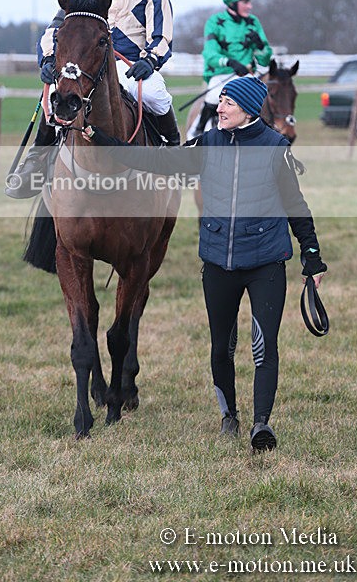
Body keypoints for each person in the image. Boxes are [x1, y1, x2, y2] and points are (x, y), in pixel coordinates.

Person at [83, 75, 327, 452]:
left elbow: (295, 206)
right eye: (221, 102)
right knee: (220, 348)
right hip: (217, 264)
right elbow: (154, 161)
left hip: (266, 263)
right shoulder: (207, 144)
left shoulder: (275, 147)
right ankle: (229, 416)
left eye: (228, 102)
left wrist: (312, 257)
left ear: (247, 109)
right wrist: (101, 140)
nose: (220, 108)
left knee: (264, 347)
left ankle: (261, 424)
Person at [7, 0, 179, 199]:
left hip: (129, 70)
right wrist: (48, 60)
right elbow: (57, 27)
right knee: (53, 97)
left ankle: (174, 153)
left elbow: (163, 36)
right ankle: (36, 163)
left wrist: (149, 61)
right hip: (86, 67)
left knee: (156, 94)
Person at [187, 0, 273, 139]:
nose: (249, 6)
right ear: (233, 2)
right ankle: (197, 132)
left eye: (250, 2)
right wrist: (230, 63)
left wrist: (260, 46)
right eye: (245, 2)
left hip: (247, 77)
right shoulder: (214, 22)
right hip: (220, 76)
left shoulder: (253, 22)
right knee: (214, 96)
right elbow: (210, 54)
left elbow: (265, 60)